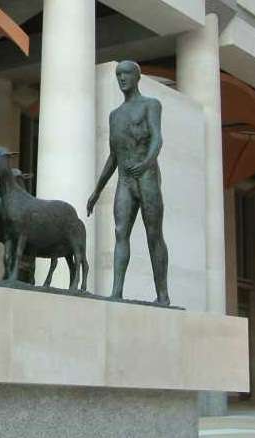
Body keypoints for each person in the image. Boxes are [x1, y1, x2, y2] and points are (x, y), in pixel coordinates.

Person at [87, 60, 170, 305]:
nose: (122, 78)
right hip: (125, 179)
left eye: (126, 74)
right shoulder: (115, 115)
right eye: (118, 75)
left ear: (137, 77)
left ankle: (162, 295)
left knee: (153, 234)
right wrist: (96, 191)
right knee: (120, 232)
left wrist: (146, 162)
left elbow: (157, 138)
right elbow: (113, 157)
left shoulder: (151, 105)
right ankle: (117, 291)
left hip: (146, 178)